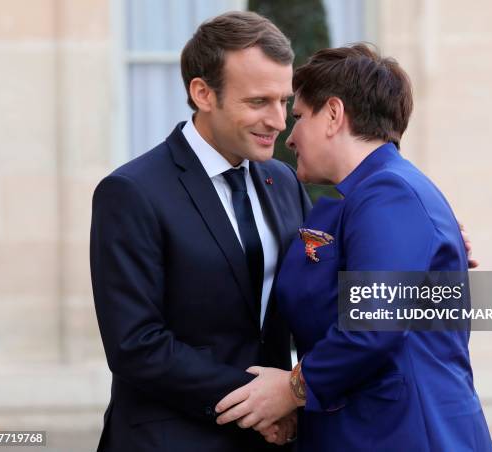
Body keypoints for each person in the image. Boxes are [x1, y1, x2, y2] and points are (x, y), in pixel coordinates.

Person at [215, 44, 492, 451]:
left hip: (406, 434)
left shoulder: (390, 194)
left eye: (298, 117)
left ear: (333, 114)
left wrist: (290, 390)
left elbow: (372, 326)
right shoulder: (367, 199)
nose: (289, 138)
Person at [90, 11, 310, 452]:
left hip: (273, 440)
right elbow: (136, 345)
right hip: (170, 437)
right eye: (258, 102)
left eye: (283, 101)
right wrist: (265, 400)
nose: (278, 121)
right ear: (203, 93)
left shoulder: (283, 181)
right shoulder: (130, 192)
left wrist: (432, 252)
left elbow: (321, 284)